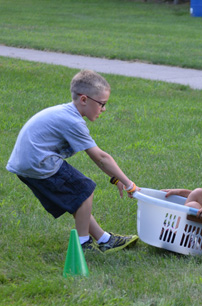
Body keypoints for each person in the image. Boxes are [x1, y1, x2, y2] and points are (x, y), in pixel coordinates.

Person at [6, 69, 139, 253]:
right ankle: (83, 245)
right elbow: (100, 157)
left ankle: (104, 239)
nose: (104, 109)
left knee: (79, 198)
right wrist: (129, 184)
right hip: (39, 162)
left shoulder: (66, 113)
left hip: (26, 163)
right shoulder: (73, 121)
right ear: (84, 99)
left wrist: (115, 179)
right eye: (102, 104)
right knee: (85, 191)